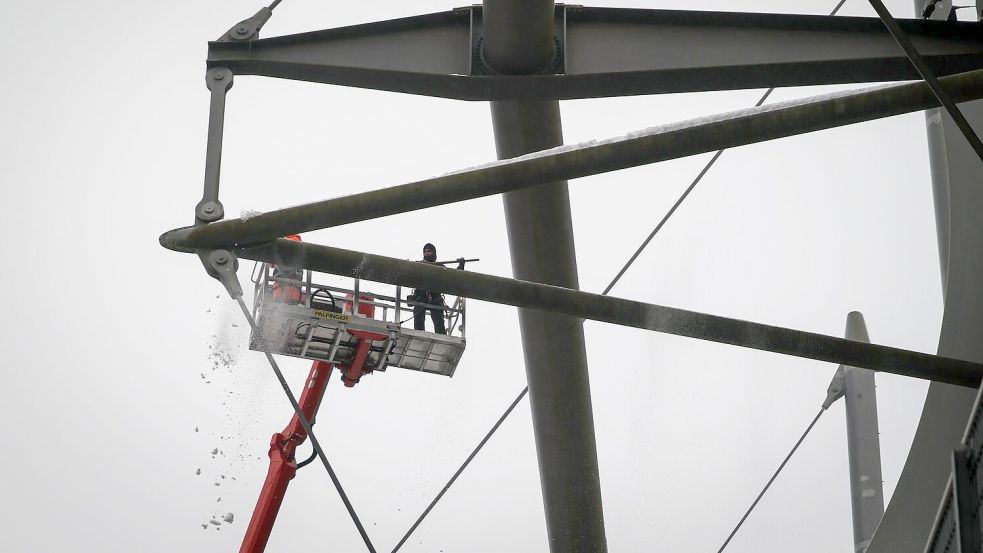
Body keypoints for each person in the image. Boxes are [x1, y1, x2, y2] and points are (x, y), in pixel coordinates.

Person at [413, 243, 465, 334]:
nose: (426, 253)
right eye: (425, 251)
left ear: (433, 253)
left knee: (439, 322)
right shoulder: (419, 266)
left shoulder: (440, 268)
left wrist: (461, 266)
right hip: (421, 296)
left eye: (429, 251)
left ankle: (441, 334)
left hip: (435, 298)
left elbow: (454, 279)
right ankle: (419, 334)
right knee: (418, 317)